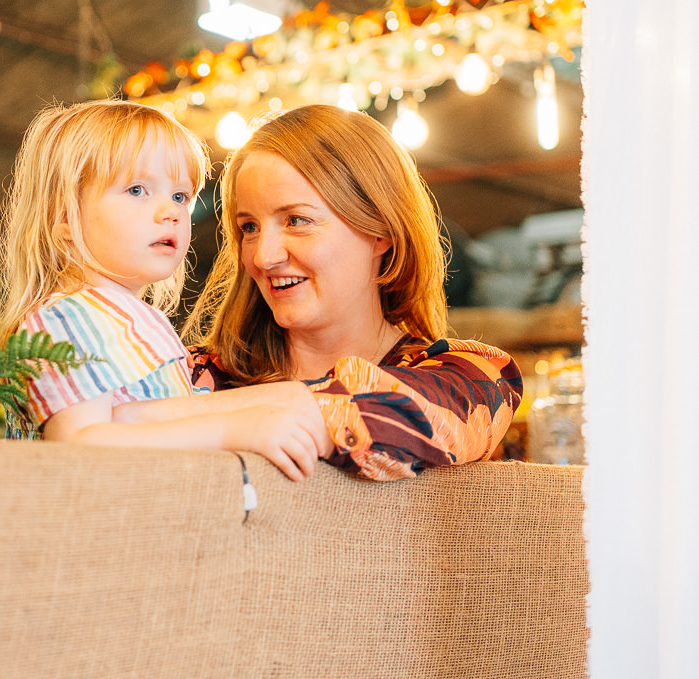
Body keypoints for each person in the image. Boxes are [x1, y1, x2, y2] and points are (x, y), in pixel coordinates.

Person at [115, 104, 523, 481]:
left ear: (380, 230)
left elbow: (324, 412)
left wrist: (137, 420)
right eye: (249, 228)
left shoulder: (473, 380)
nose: (264, 256)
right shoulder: (196, 374)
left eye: (296, 220)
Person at [0, 100, 331, 480]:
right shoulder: (68, 318)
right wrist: (233, 430)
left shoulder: (122, 317)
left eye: (180, 196)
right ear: (65, 217)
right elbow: (78, 447)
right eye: (137, 190)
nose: (171, 213)